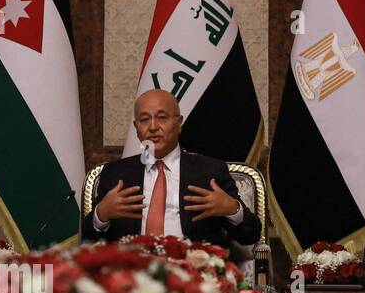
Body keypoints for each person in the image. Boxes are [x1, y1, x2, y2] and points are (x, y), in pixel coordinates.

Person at [82, 89, 261, 248]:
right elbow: (88, 240)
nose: (153, 127)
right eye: (145, 120)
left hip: (195, 274)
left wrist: (231, 209)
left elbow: (250, 235)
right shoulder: (116, 174)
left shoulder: (210, 172)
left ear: (179, 123)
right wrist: (101, 214)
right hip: (133, 274)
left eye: (162, 117)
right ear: (137, 129)